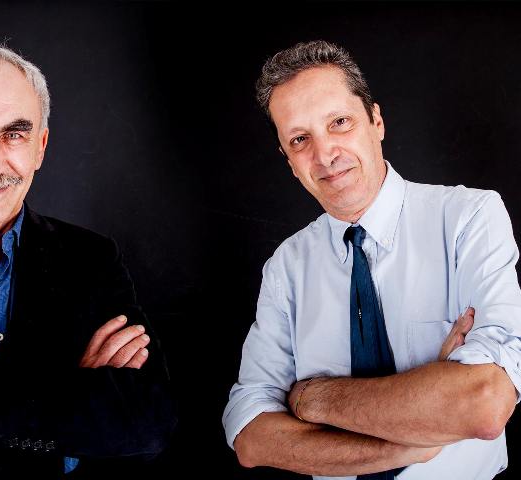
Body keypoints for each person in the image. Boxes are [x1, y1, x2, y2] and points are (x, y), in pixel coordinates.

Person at [222, 40, 521, 480]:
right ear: (288, 161)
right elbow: (251, 437)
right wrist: (416, 441)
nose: (325, 154)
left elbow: (484, 403)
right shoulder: (286, 267)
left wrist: (311, 399)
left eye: (339, 122)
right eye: (300, 139)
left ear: (376, 121)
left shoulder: (469, 218)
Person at [0, 40, 176, 478]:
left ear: (40, 146)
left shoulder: (93, 259)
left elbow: (148, 425)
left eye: (13, 134)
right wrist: (71, 394)